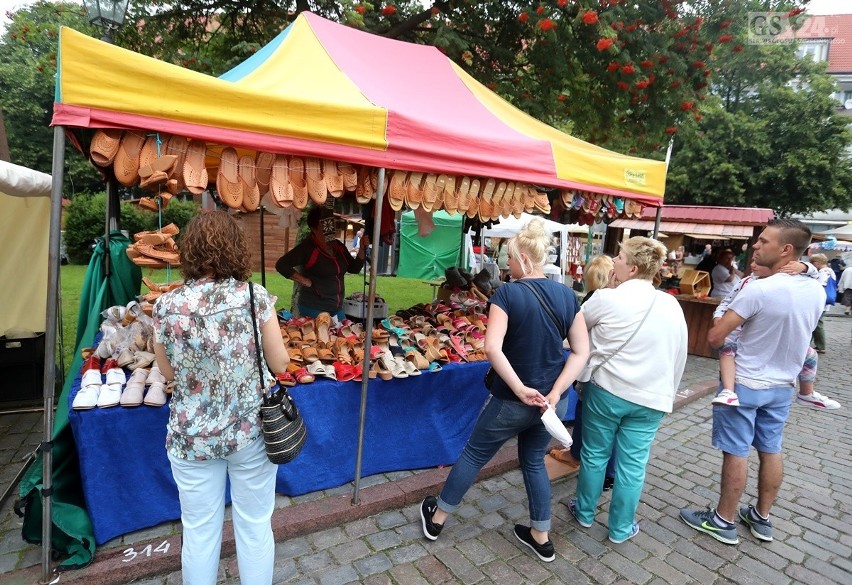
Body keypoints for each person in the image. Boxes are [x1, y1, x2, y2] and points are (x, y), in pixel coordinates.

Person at [419, 219, 590, 562]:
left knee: (474, 455)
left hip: (514, 399)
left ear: (525, 258)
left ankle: (437, 519)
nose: (506, 265)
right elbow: (581, 351)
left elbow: (492, 348)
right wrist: (557, 392)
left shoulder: (508, 293)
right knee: (533, 462)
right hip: (549, 402)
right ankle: (541, 535)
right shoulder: (568, 295)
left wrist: (520, 388)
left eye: (510, 258)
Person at [152, 211, 290, 584]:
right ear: (235, 249)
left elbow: (167, 374)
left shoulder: (167, 305)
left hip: (190, 434)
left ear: (189, 252)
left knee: (197, 530)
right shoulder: (253, 296)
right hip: (250, 433)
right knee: (255, 525)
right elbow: (280, 362)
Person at [680, 219, 824, 546]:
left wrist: (720, 319)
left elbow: (716, 338)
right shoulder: (815, 288)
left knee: (737, 452)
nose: (755, 246)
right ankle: (761, 517)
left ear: (786, 249)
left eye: (764, 241)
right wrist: (804, 266)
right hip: (782, 386)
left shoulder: (759, 289)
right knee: (771, 449)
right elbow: (814, 273)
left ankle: (723, 520)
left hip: (744, 382)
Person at [567, 237, 688, 544]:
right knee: (633, 464)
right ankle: (621, 528)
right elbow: (679, 355)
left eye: (619, 257)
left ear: (632, 268)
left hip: (608, 390)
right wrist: (668, 395)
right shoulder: (671, 303)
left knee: (594, 454)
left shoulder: (606, 298)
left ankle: (584, 513)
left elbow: (574, 335)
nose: (614, 262)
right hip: (651, 398)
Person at [711, 259, 840, 410]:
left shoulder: (783, 283)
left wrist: (804, 266)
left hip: (768, 333)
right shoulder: (747, 282)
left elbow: (817, 275)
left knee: (810, 353)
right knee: (727, 350)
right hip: (739, 329)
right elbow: (726, 302)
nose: (753, 265)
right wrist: (718, 318)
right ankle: (728, 391)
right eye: (752, 261)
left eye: (759, 263)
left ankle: (807, 392)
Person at [550, 255, 617, 491]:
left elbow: (574, 332)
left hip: (596, 372)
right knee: (613, 431)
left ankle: (584, 465)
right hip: (618, 376)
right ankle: (609, 474)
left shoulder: (596, 299)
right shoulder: (624, 299)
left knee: (588, 419)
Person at [276, 206, 368, 320]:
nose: (330, 228)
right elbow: (281, 265)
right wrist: (304, 281)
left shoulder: (338, 246)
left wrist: (362, 250)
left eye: (331, 223)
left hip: (337, 308)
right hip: (313, 308)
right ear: (314, 228)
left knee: (345, 336)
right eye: (325, 224)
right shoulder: (307, 248)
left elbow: (354, 269)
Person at [809, 253, 835, 353]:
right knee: (816, 322)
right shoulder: (830, 270)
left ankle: (820, 345)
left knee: (817, 323)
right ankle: (816, 344)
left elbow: (820, 285)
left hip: (821, 301)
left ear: (817, 263)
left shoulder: (823, 272)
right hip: (825, 301)